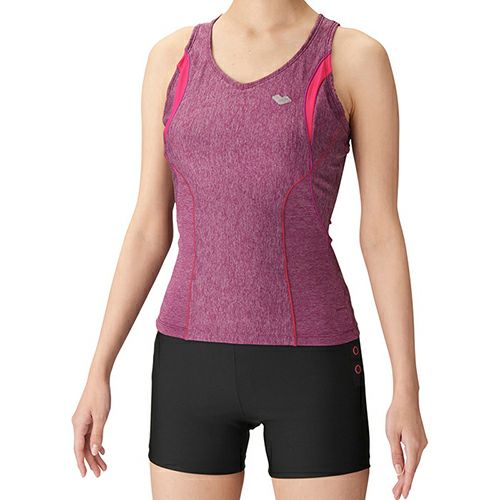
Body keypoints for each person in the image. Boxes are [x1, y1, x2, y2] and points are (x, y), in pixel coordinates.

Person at [71, 1, 428, 499]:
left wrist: (406, 387)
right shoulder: (173, 57)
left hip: (312, 365)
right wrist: (99, 369)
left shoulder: (353, 57)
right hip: (190, 364)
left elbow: (380, 232)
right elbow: (149, 227)